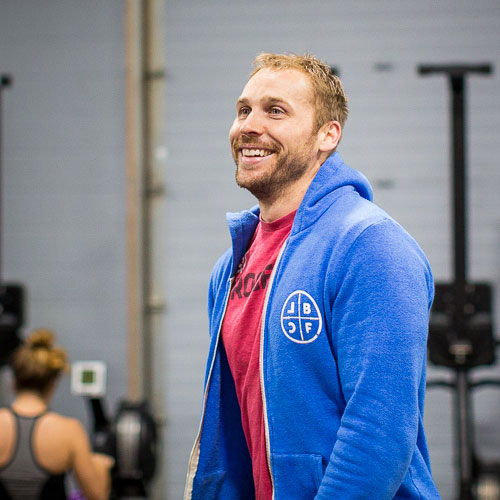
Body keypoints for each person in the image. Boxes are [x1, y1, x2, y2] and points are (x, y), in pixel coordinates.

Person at [184, 52, 441, 500]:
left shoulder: (369, 246)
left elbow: (379, 431)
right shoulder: (230, 268)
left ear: (328, 135)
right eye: (244, 109)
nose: (249, 125)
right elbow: (231, 439)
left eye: (275, 110)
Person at [0, 329, 113, 500]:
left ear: (13, 381)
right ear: (53, 383)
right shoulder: (69, 430)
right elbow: (96, 495)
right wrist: (101, 467)